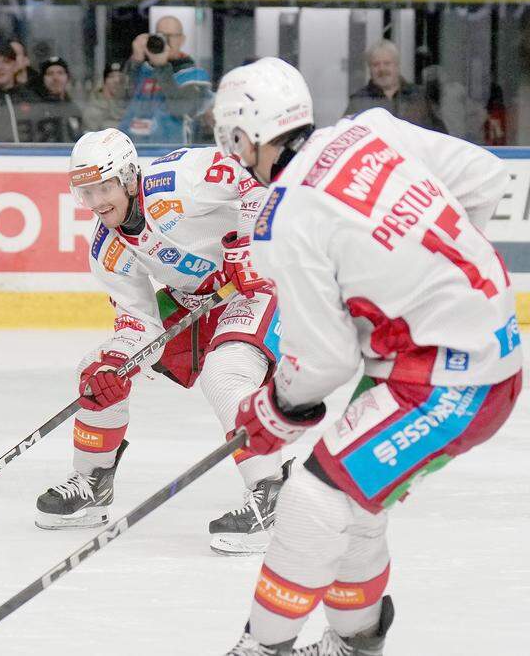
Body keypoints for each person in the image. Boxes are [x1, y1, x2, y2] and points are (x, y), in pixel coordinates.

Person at [213, 57, 521, 655]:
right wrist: (431, 286)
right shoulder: (371, 129)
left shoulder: (285, 216)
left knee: (314, 494)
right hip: (474, 351)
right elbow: (483, 177)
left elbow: (324, 360)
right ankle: (357, 641)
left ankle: (262, 648)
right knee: (353, 499)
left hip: (451, 381)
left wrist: (274, 408)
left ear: (245, 138)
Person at [35, 127, 290, 556]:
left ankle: (272, 492)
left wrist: (248, 244)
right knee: (98, 372)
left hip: (268, 278)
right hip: (203, 299)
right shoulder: (107, 250)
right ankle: (93, 480)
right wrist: (118, 361)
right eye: (86, 194)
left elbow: (257, 176)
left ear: (130, 176)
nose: (97, 203)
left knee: (225, 373)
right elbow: (139, 323)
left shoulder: (180, 179)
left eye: (104, 187)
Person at [119, 15, 212, 145]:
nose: (166, 41)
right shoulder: (143, 70)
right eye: (161, 36)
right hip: (134, 151)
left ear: (182, 39)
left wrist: (162, 66)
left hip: (172, 155)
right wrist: (136, 60)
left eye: (171, 36)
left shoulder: (195, 76)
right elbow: (119, 97)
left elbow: (180, 108)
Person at [344, 39, 445, 133]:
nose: (382, 69)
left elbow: (440, 136)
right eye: (376, 65)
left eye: (387, 63)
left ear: (397, 65)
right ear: (370, 69)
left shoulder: (419, 97)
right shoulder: (358, 101)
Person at [37, 56, 83, 142]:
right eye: (50, 73)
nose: (55, 78)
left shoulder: (75, 108)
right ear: (43, 79)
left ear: (67, 78)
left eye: (60, 73)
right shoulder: (36, 108)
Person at [83, 62, 129, 132]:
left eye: (120, 77)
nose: (116, 80)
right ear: (103, 82)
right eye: (111, 76)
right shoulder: (93, 110)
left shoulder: (128, 108)